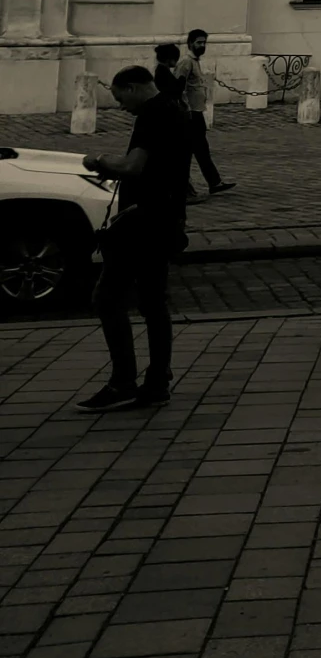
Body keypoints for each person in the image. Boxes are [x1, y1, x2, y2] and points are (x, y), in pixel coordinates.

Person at [77, 66, 192, 411]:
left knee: (107, 297)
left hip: (142, 220)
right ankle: (157, 381)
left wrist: (99, 161)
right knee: (154, 301)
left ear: (133, 87)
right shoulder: (178, 108)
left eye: (119, 97)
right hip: (167, 217)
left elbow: (133, 167)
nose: (121, 106)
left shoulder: (152, 115)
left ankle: (122, 382)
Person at [173, 30, 236, 198]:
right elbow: (178, 87)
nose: (202, 46)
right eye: (199, 42)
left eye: (204, 43)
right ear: (190, 43)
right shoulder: (186, 62)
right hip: (190, 114)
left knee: (200, 150)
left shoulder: (195, 62)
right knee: (188, 152)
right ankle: (187, 186)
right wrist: (184, 109)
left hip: (197, 112)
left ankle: (213, 182)